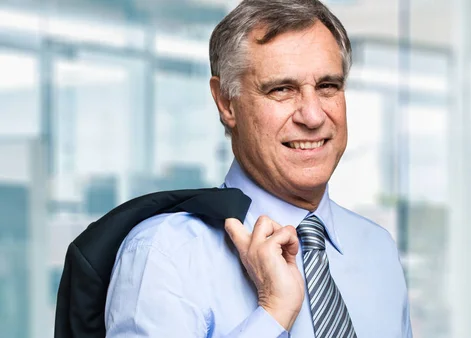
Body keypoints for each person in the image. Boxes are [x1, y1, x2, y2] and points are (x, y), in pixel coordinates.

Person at [104, 0, 413, 337]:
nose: (312, 116)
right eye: (282, 89)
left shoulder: (377, 250)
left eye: (327, 86)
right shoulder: (165, 255)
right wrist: (273, 313)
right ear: (226, 102)